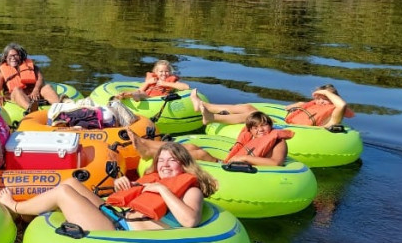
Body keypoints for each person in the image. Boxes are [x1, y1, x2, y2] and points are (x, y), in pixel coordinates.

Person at [0, 142, 217, 230]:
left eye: (171, 160)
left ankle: (15, 208)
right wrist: (124, 187)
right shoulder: (157, 180)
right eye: (161, 160)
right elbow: (139, 201)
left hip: (119, 231)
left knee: (63, 193)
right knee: (71, 182)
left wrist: (163, 191)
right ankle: (26, 215)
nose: (165, 165)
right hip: (116, 214)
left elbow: (189, 221)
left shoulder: (191, 190)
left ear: (183, 163)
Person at [129, 112, 292, 167]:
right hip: (230, 163)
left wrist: (244, 157)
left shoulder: (278, 141)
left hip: (239, 170)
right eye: (255, 128)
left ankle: (150, 152)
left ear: (270, 126)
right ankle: (147, 144)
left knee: (199, 155)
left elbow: (276, 163)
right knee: (191, 146)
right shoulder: (254, 137)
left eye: (264, 126)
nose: (260, 130)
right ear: (251, 131)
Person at [190, 83, 352, 127]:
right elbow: (287, 109)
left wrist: (327, 94)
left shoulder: (333, 116)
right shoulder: (310, 105)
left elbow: (342, 105)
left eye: (324, 99)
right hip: (285, 123)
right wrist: (302, 104)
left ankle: (212, 118)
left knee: (253, 117)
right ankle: (204, 105)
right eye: (318, 97)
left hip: (292, 131)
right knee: (247, 107)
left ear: (332, 99)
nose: (320, 102)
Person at [0, 43, 60, 111]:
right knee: (17, 89)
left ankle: (60, 107)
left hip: (34, 95)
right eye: (10, 56)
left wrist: (36, 90)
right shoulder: (1, 74)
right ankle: (31, 109)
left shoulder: (32, 67)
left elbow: (40, 79)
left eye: (16, 55)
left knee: (47, 87)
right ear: (6, 58)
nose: (13, 58)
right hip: (16, 97)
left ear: (20, 56)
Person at [117, 60, 190, 101]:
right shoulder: (152, 79)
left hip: (155, 99)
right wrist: (148, 82)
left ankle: (129, 95)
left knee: (142, 94)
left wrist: (165, 83)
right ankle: (128, 95)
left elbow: (186, 87)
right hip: (145, 94)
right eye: (161, 71)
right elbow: (140, 89)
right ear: (156, 72)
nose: (164, 74)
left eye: (166, 71)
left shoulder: (170, 80)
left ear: (170, 72)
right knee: (140, 92)